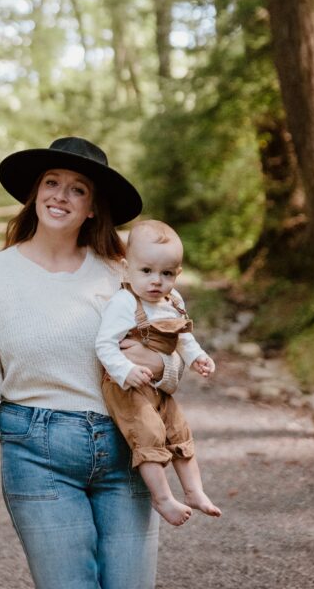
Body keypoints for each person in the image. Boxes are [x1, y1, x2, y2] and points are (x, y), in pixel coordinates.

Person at [0, 136, 183, 589]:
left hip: (126, 446)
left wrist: (159, 364)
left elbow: (178, 355)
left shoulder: (126, 273)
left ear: (92, 207)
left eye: (77, 188)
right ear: (34, 195)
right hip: (36, 450)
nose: (60, 195)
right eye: (51, 182)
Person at [95, 218, 221, 526]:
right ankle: (162, 498)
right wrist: (125, 371)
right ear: (127, 269)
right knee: (148, 434)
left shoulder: (173, 301)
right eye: (147, 271)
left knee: (178, 430)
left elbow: (184, 337)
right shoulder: (124, 302)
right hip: (126, 387)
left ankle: (194, 491)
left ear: (177, 274)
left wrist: (197, 357)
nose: (156, 281)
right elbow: (105, 345)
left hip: (158, 387)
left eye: (166, 274)